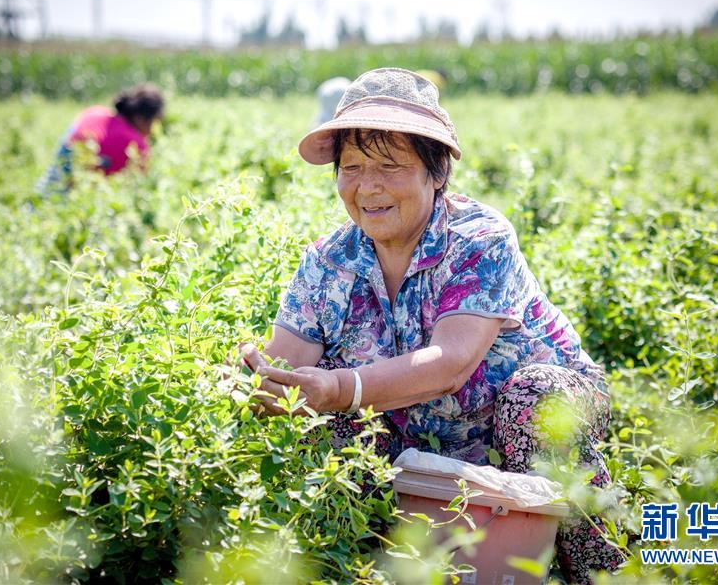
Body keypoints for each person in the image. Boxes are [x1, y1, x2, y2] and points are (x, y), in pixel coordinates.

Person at [240, 67, 623, 583]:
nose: (368, 186)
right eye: (351, 166)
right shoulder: (327, 262)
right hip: (421, 437)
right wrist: (258, 381)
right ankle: (365, 564)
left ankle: (600, 569)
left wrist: (338, 387)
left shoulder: (478, 240)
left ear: (436, 173)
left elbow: (450, 365)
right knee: (325, 412)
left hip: (523, 413)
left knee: (536, 398)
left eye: (391, 166)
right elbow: (287, 366)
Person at [37, 83, 165, 193]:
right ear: (141, 119)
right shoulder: (137, 145)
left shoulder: (94, 112)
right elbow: (135, 188)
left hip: (54, 176)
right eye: (156, 121)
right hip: (78, 189)